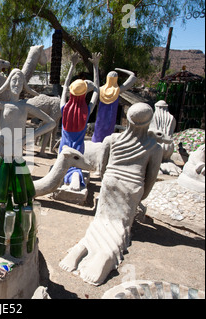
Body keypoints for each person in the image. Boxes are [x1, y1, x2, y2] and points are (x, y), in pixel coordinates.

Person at [59, 103, 163, 285]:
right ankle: (106, 254)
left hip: (110, 181)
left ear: (129, 120)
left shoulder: (112, 139)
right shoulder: (154, 147)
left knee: (100, 221)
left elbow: (101, 167)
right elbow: (151, 178)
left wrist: (109, 178)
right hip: (133, 187)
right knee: (119, 227)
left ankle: (81, 248)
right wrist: (141, 197)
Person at [58, 52, 101, 190]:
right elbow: (97, 90)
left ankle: (68, 179)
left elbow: (64, 86)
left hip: (63, 148)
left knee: (62, 166)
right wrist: (96, 66)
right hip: (78, 150)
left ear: (71, 92)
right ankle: (75, 177)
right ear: (84, 94)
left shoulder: (64, 109)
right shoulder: (86, 111)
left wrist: (72, 65)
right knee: (75, 168)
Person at [91, 68, 137, 143]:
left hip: (100, 119)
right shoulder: (117, 90)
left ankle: (96, 142)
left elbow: (95, 82)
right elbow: (133, 76)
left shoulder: (101, 89)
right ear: (116, 79)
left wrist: (95, 66)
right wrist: (120, 69)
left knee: (98, 131)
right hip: (110, 119)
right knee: (108, 134)